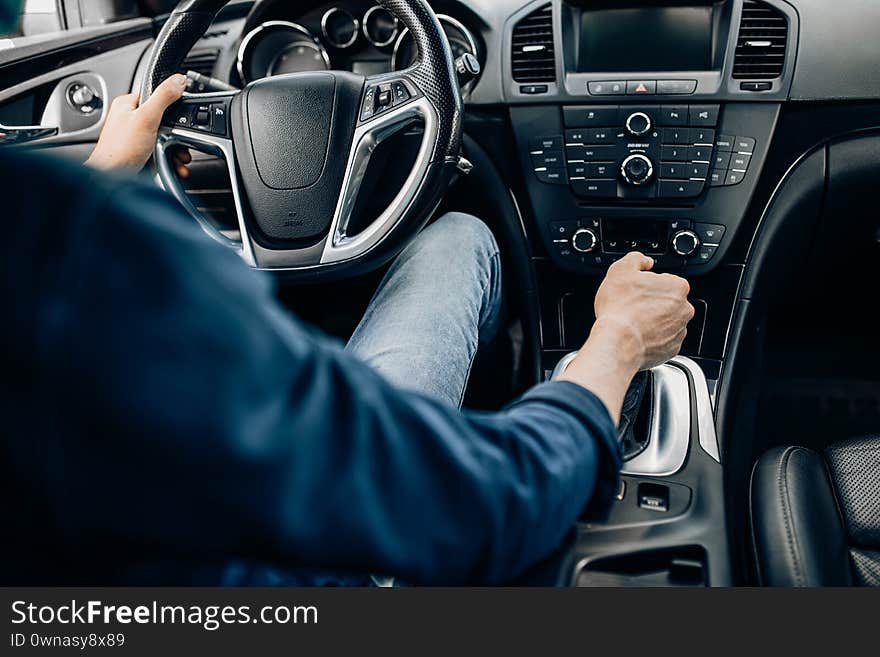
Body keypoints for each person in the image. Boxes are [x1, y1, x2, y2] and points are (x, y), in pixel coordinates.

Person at [1, 9, 694, 586]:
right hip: (332, 569)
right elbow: (476, 504)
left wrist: (103, 173)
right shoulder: (78, 255)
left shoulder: (52, 249)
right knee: (457, 236)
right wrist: (619, 340)